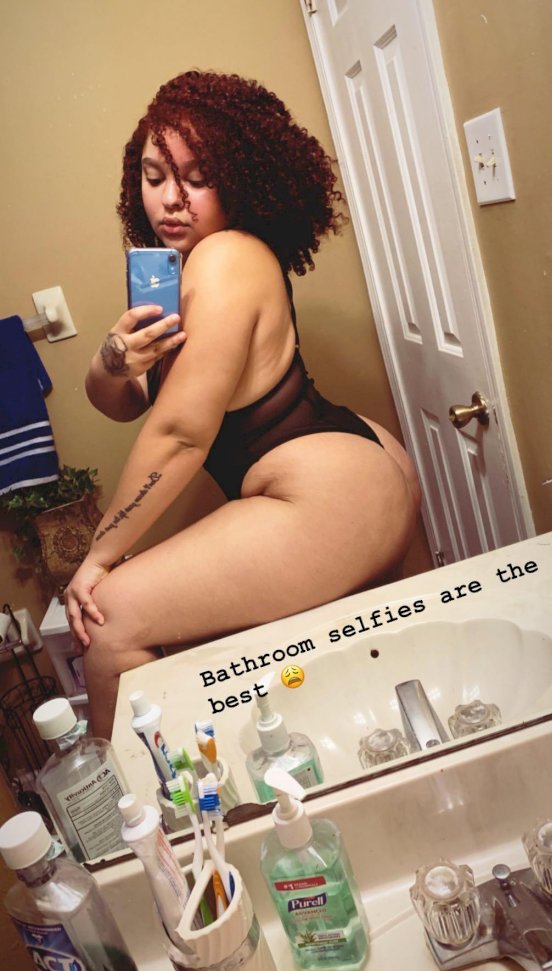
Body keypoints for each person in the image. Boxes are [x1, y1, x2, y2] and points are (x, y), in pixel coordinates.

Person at [64, 70, 421, 739]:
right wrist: (111, 360)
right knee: (372, 694)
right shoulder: (194, 268)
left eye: (197, 178)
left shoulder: (224, 258)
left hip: (326, 497)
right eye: (153, 176)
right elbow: (129, 403)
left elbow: (179, 434)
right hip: (350, 473)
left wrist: (99, 556)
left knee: (106, 621)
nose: (170, 199)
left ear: (240, 180)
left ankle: (130, 807)